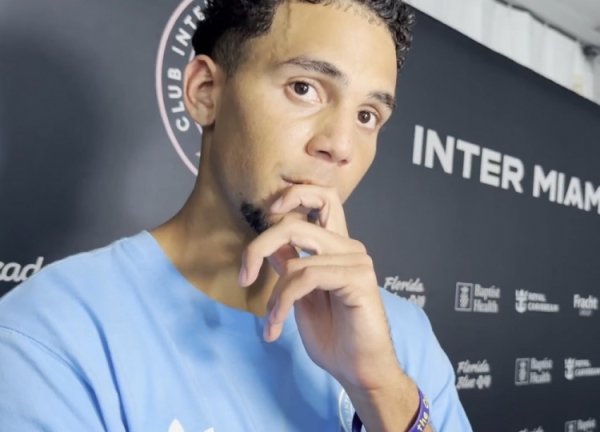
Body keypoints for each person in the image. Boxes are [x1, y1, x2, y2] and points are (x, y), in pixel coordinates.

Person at [0, 1, 471, 431]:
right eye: (304, 88)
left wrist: (380, 389)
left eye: (367, 115)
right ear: (205, 91)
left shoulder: (400, 339)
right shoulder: (53, 333)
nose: (340, 145)